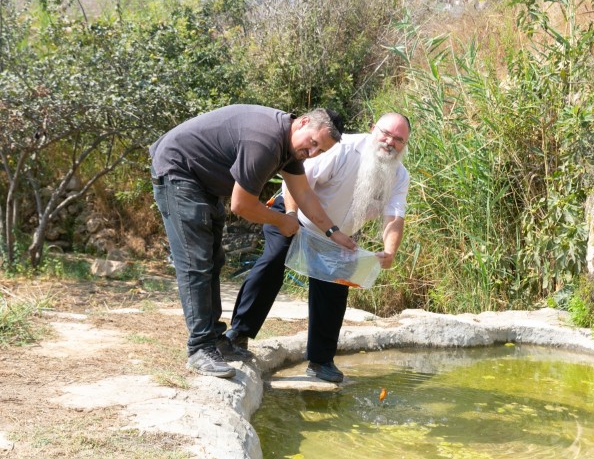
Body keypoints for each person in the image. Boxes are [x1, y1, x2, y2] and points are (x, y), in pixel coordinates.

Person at [150, 104, 355, 379]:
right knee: (196, 262)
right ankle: (200, 347)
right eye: (313, 144)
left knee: (212, 260)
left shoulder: (290, 147)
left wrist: (334, 233)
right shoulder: (265, 141)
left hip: (200, 181)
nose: (313, 154)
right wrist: (282, 220)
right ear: (303, 122)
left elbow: (304, 194)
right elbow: (241, 205)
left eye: (321, 151)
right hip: (178, 172)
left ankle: (214, 339)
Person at [227, 112, 411, 383]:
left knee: (335, 286)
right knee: (274, 261)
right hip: (295, 214)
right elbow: (296, 184)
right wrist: (289, 217)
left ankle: (321, 362)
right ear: (373, 129)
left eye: (398, 139)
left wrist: (390, 250)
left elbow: (394, 215)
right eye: (386, 133)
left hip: (336, 236)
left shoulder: (399, 175)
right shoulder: (343, 148)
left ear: (404, 145)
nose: (390, 142)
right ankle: (237, 335)